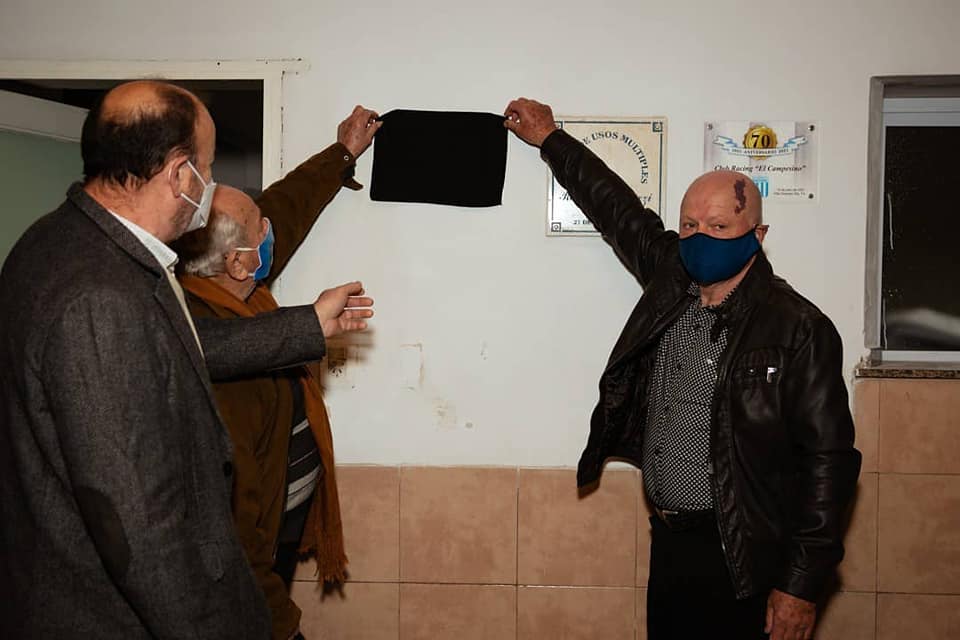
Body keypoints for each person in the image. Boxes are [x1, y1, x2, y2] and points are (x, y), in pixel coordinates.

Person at [0, 80, 373, 640]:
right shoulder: (97, 295)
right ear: (180, 174)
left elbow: (183, 345)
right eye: (209, 167)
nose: (210, 185)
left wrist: (307, 326)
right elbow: (140, 526)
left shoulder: (71, 244)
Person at [503, 98, 860, 640]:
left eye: (719, 225)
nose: (700, 237)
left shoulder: (798, 328)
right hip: (672, 546)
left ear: (757, 234)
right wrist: (551, 138)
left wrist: (801, 585)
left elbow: (829, 463)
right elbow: (618, 209)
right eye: (690, 224)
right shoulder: (671, 279)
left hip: (749, 559)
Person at [172, 105, 382, 640]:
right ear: (239, 261)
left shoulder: (238, 291)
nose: (271, 229)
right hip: (250, 570)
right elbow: (232, 531)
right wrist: (280, 624)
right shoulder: (215, 351)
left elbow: (286, 207)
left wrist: (342, 153)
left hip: (275, 537)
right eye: (258, 228)